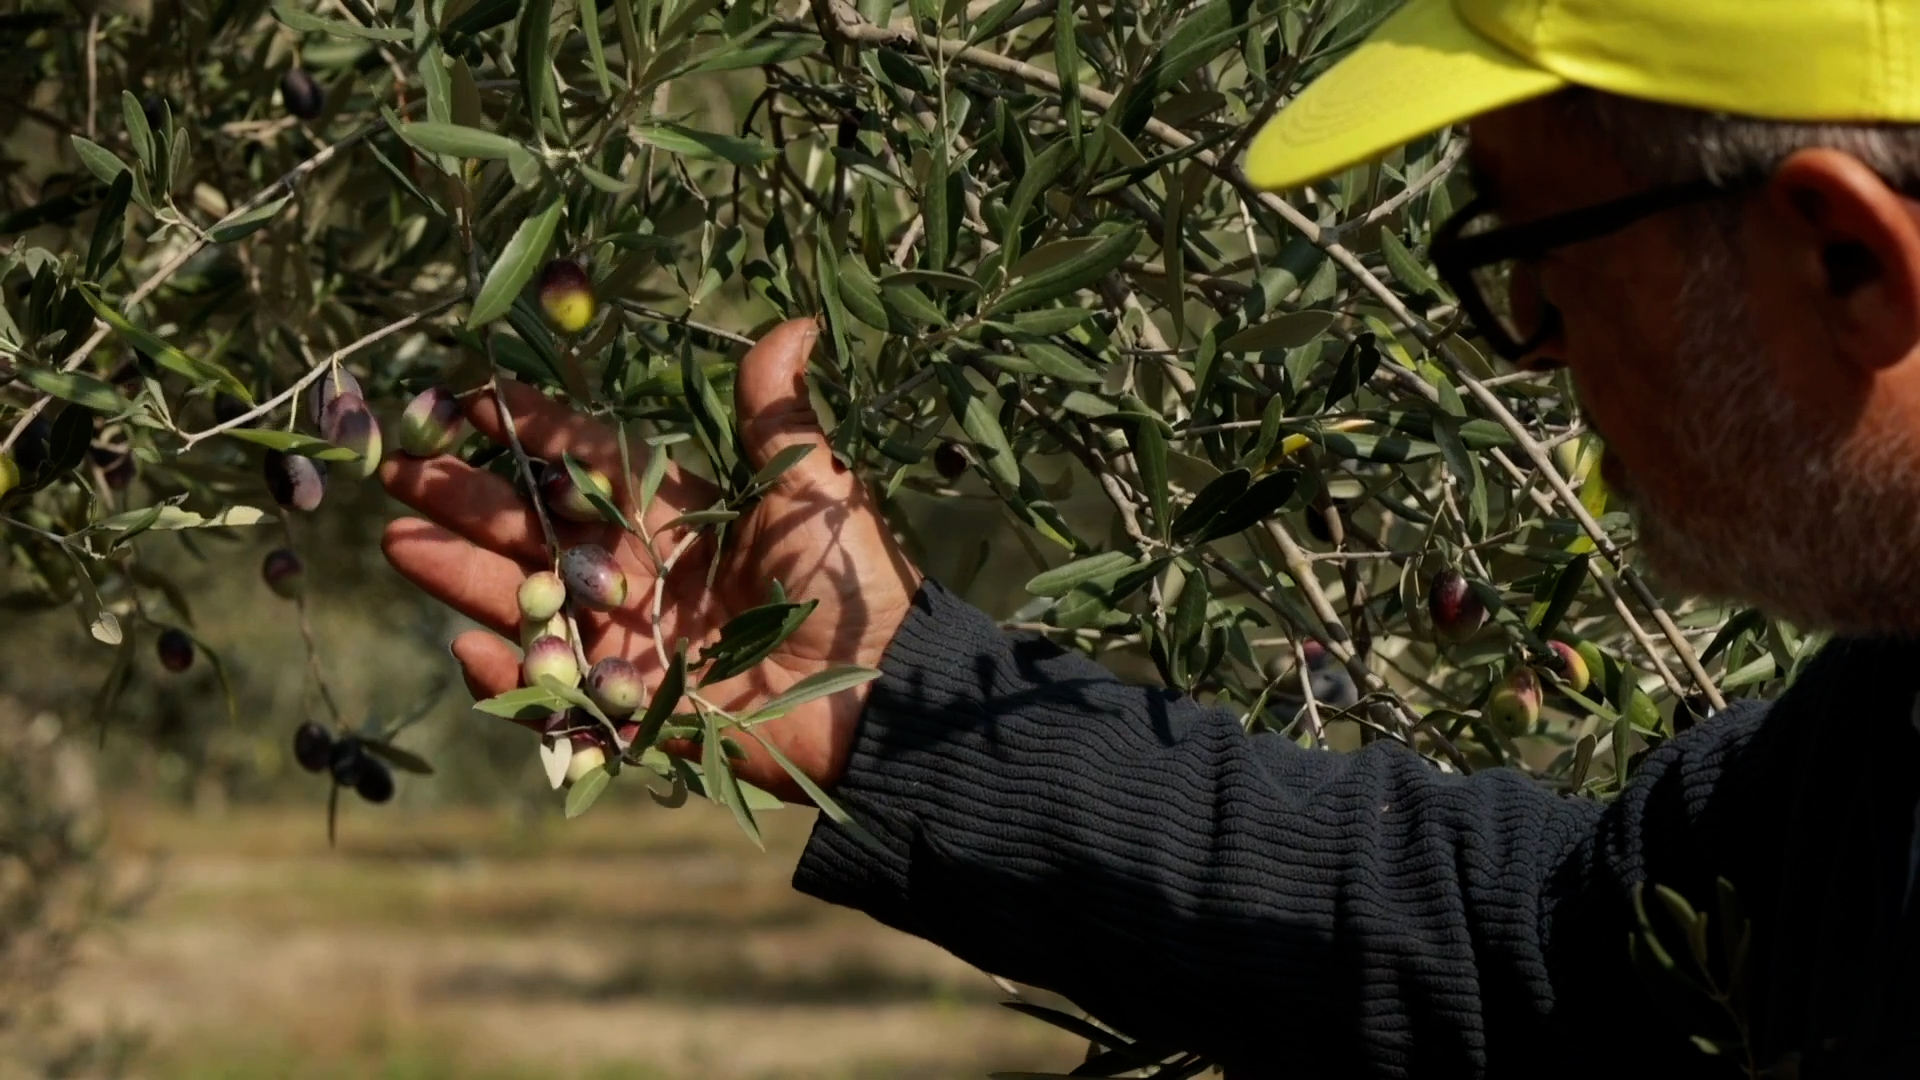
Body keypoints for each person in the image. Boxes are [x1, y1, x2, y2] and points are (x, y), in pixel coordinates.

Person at [380, 0, 1920, 1074]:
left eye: (1527, 255)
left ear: (1851, 260)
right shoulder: (1879, 744)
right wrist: (896, 702)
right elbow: (1541, 961)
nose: (1527, 341)